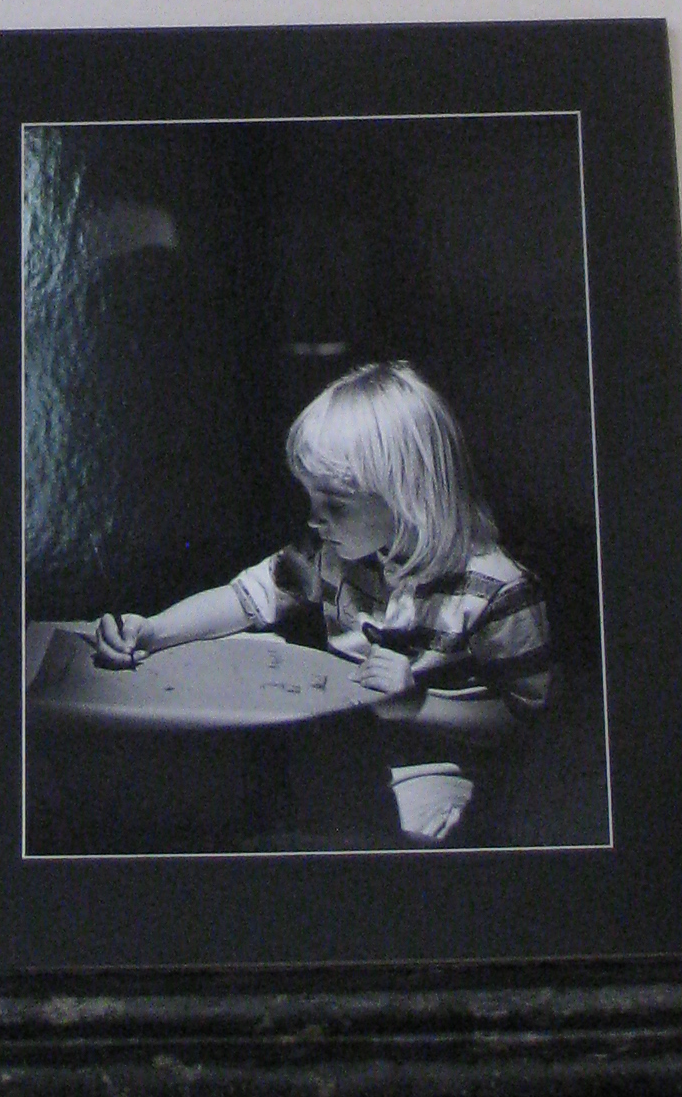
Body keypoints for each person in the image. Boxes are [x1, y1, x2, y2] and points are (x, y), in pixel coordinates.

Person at [92, 359, 550, 841]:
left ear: (407, 496)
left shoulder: (497, 590)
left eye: (334, 504)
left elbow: (527, 720)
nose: (314, 519)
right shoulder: (333, 554)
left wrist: (419, 704)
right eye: (312, 500)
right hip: (346, 750)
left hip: (438, 768)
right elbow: (246, 598)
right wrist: (154, 629)